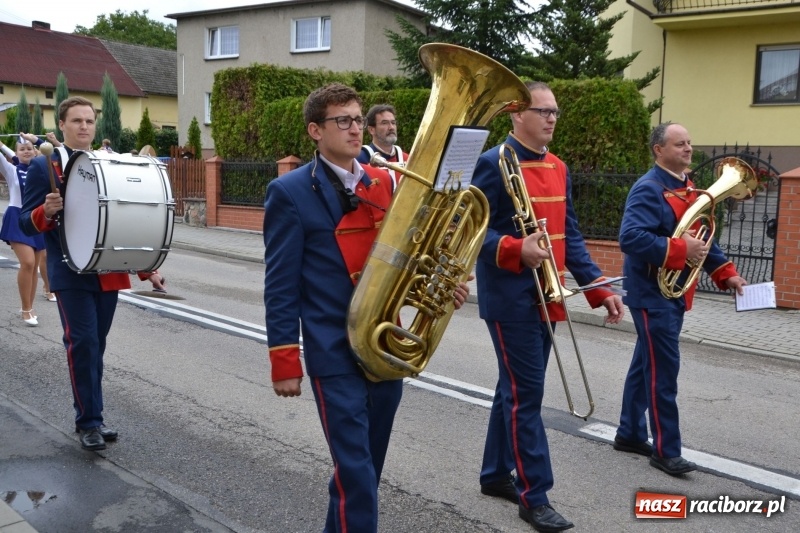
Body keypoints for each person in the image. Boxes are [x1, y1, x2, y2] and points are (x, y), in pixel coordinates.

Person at [263, 83, 469, 533]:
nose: (356, 128)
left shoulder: (388, 181)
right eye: (344, 120)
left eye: (359, 119)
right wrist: (284, 358)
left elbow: (411, 256)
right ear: (315, 130)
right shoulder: (289, 191)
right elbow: (280, 284)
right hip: (332, 349)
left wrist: (443, 282)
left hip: (385, 344)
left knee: (365, 470)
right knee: (356, 473)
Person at [471, 81, 624, 533]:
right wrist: (517, 249)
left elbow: (570, 237)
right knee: (526, 395)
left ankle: (495, 474)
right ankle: (533, 495)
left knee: (513, 390)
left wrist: (599, 288)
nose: (552, 118)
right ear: (517, 114)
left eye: (556, 111)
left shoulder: (558, 166)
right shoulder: (492, 163)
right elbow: (471, 229)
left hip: (548, 297)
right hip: (512, 298)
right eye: (543, 111)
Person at [19, 96, 165, 452]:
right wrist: (46, 211)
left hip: (108, 272)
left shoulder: (108, 162)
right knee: (82, 343)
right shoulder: (46, 166)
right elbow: (26, 221)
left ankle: (93, 414)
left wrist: (148, 270)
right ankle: (89, 422)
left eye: (89, 121)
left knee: (95, 347)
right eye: (77, 121)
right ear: (63, 126)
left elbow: (124, 220)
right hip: (69, 272)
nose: (84, 127)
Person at [613, 122, 746, 476]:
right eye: (679, 144)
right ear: (659, 149)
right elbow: (630, 238)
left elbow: (703, 238)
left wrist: (725, 273)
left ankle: (629, 433)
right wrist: (678, 248)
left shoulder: (688, 187)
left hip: (672, 293)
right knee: (664, 373)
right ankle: (666, 450)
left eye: (689, 143)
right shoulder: (648, 188)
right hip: (651, 293)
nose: (688, 149)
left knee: (647, 366)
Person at [1, 133, 48, 325]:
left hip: (36, 218)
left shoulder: (42, 169)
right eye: (22, 149)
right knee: (28, 263)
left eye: (29, 148)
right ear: (16, 153)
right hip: (17, 217)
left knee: (34, 265)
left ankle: (29, 306)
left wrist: (37, 141)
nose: (26, 151)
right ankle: (25, 309)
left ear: (35, 150)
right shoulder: (12, 170)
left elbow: (53, 153)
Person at [356, 104, 408, 191]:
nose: (391, 127)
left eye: (393, 123)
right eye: (384, 123)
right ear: (371, 130)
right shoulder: (360, 159)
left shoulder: (407, 159)